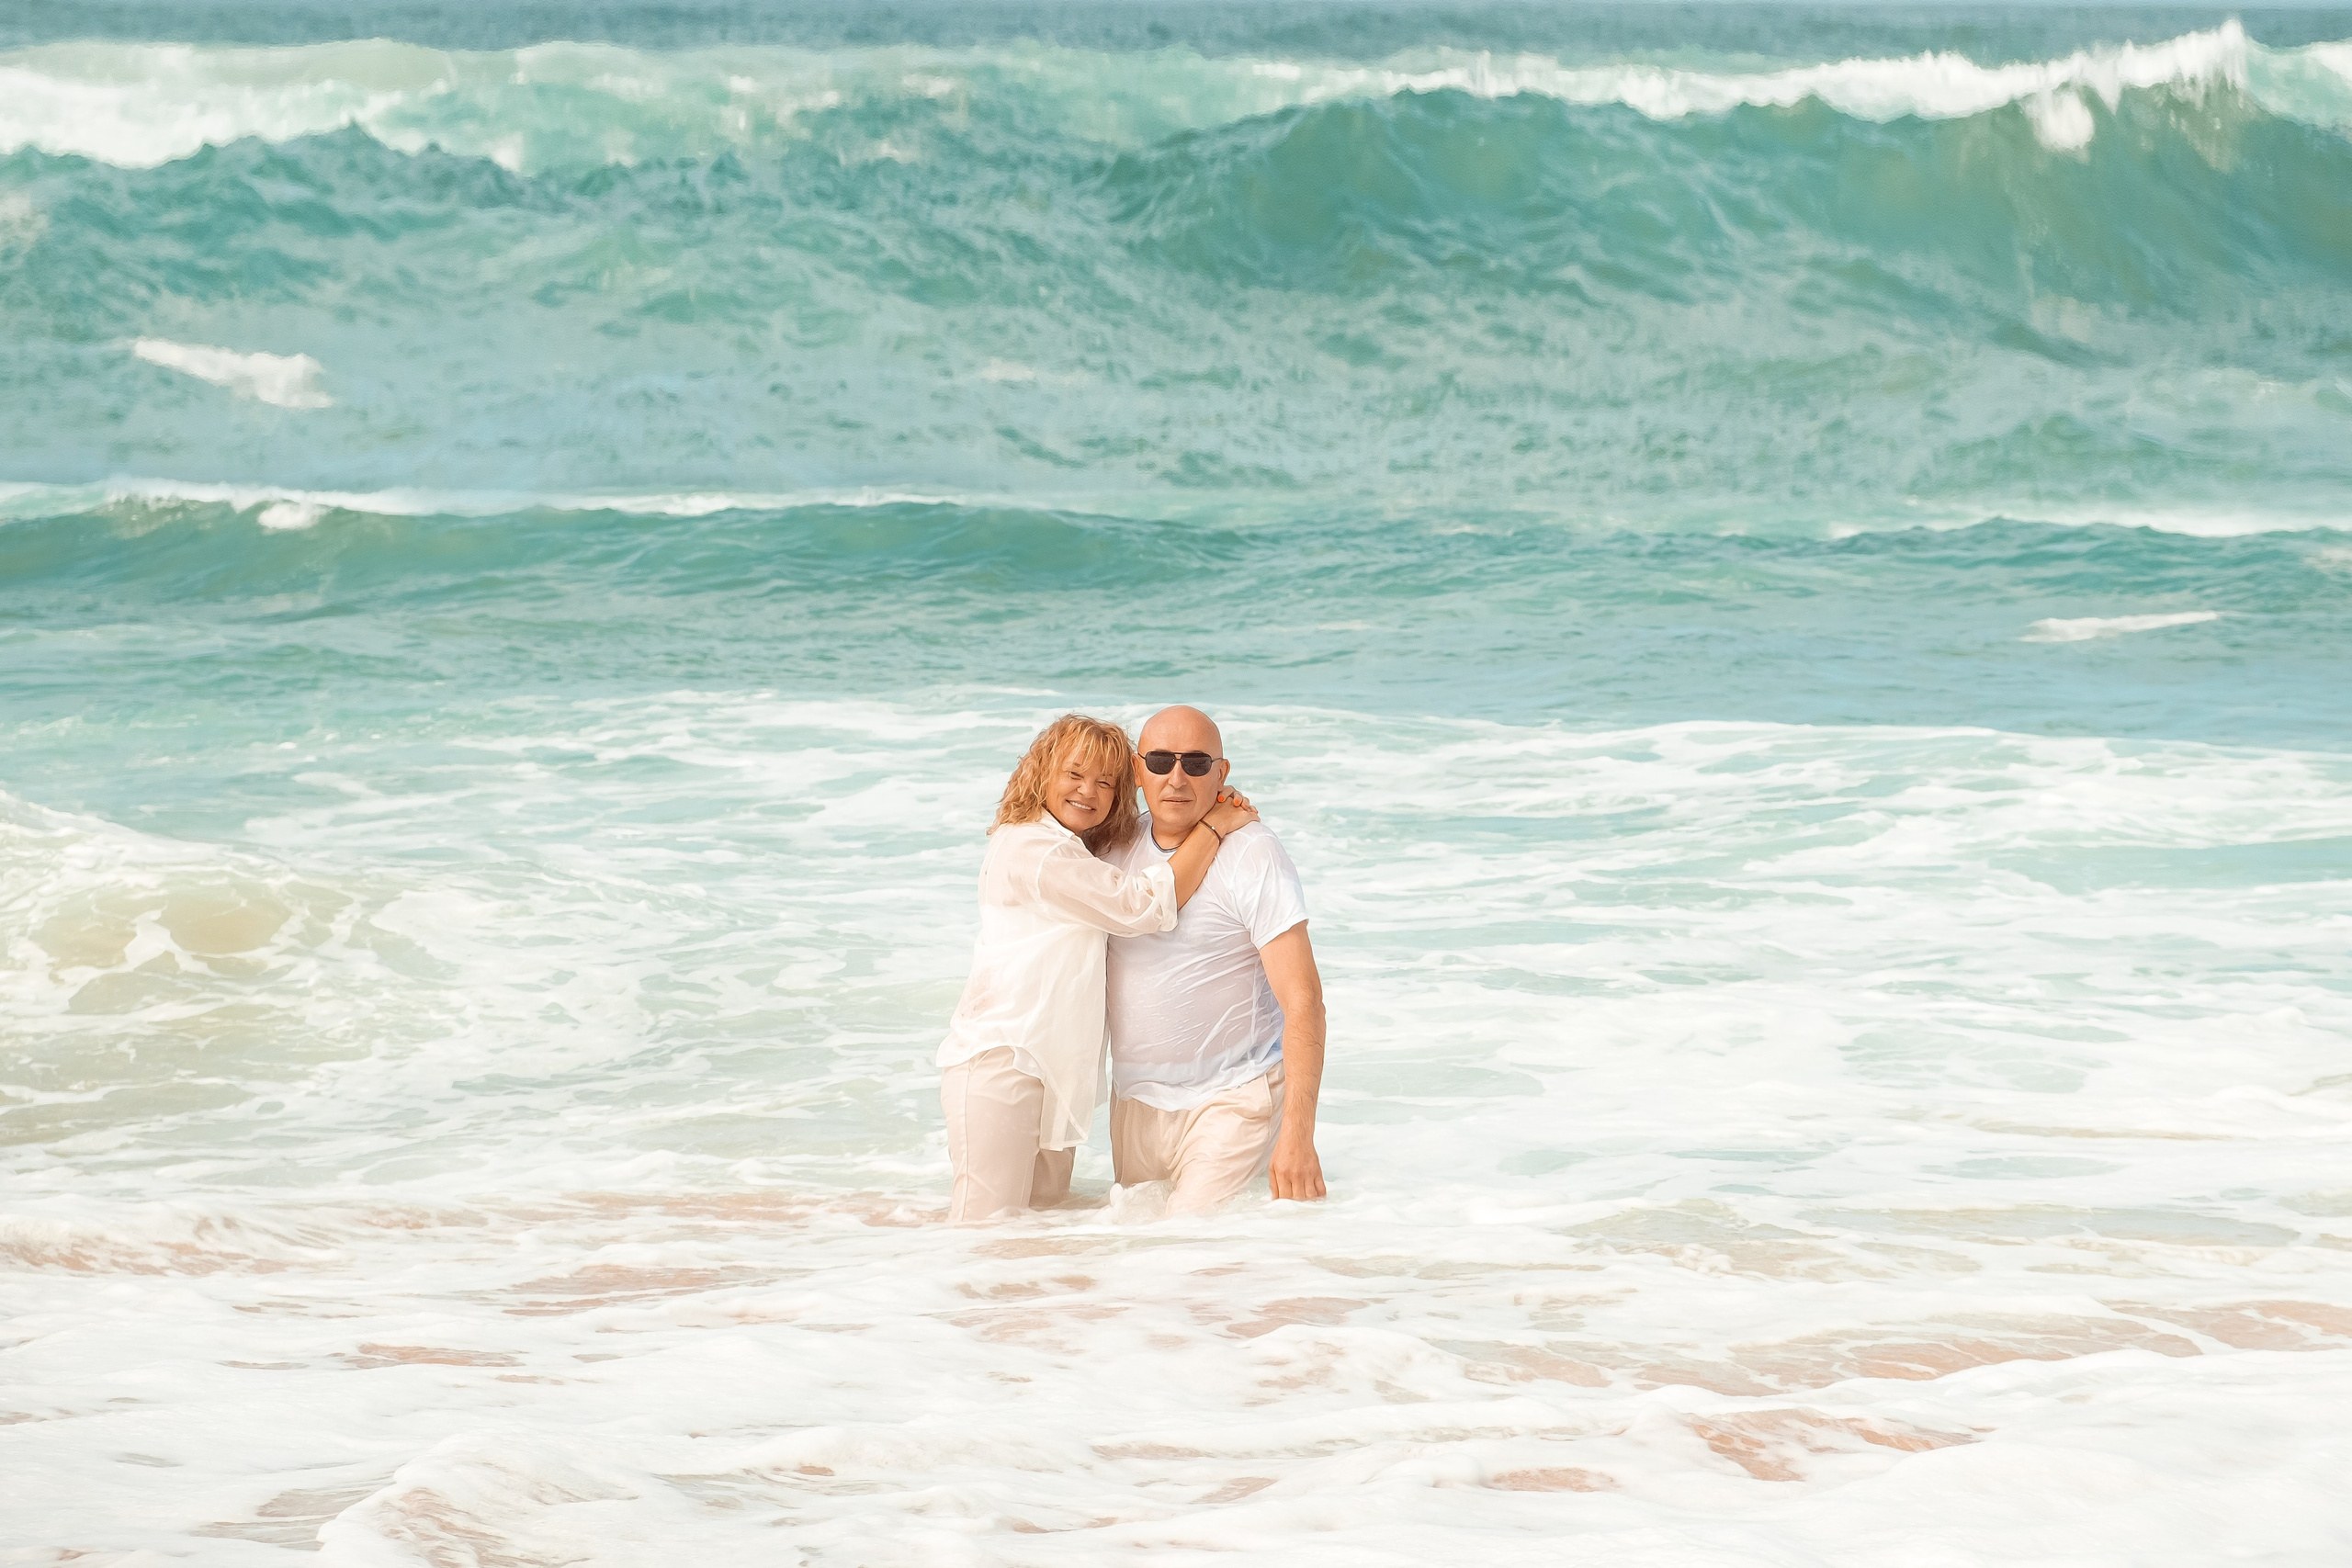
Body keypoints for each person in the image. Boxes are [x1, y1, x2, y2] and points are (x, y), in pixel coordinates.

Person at [938, 714, 1257, 1222]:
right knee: (983, 1231)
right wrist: (1214, 823)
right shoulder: (1032, 849)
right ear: (1042, 771)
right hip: (1003, 1061)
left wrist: (1190, 801)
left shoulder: (1075, 849)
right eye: (1074, 774)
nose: (1088, 791)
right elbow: (1140, 906)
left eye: (1106, 783)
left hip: (1050, 1069)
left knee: (1037, 1227)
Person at [1102, 705, 1327, 1213]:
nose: (1176, 777)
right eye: (1159, 761)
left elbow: (1305, 1001)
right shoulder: (1113, 849)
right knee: (1137, 1264)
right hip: (1135, 1107)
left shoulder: (1254, 853)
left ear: (1222, 774)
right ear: (1137, 772)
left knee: (1191, 1253)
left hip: (1234, 1097)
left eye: (1197, 763)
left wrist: (1298, 1136)